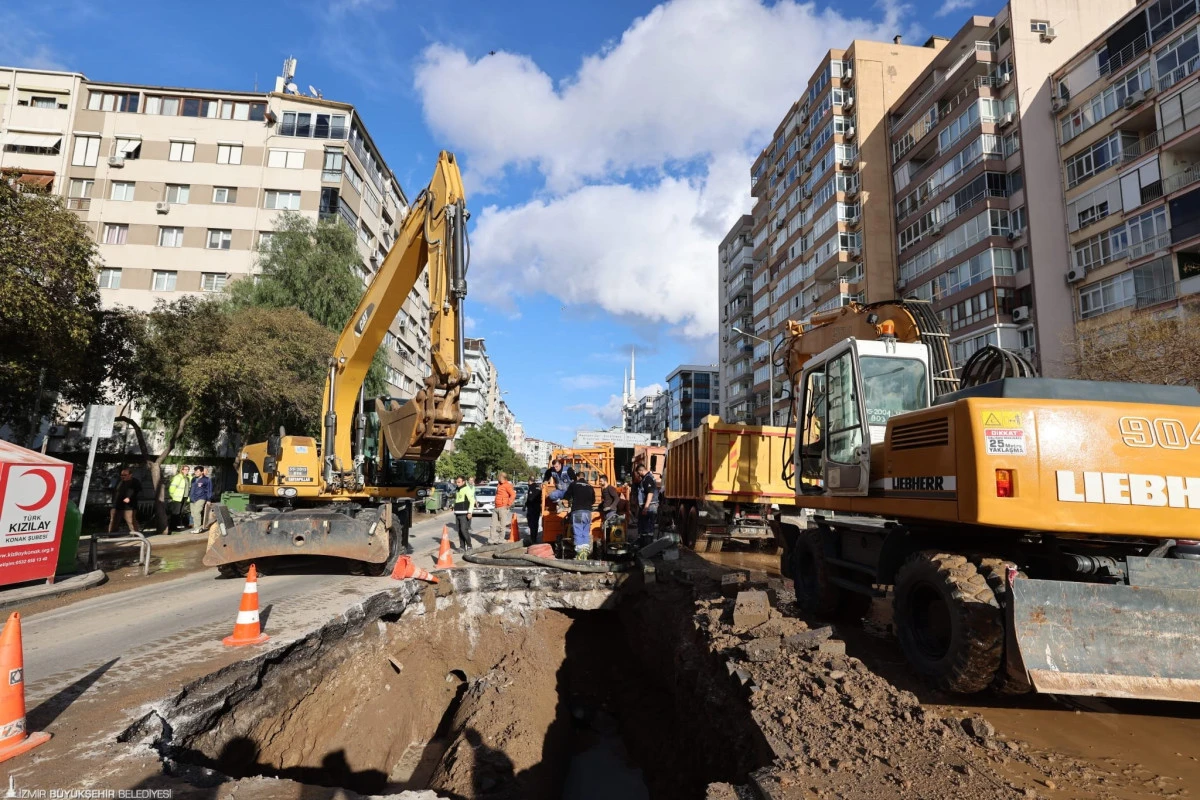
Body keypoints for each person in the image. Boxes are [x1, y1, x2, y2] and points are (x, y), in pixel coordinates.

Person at [565, 472, 595, 560]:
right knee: (585, 532)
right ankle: (585, 554)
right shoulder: (590, 486)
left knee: (578, 531)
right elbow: (593, 500)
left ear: (577, 477)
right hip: (588, 512)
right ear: (584, 477)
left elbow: (567, 496)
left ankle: (579, 554)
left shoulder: (574, 484)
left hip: (577, 511)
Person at [108, 468, 141, 534]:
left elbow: (135, 491)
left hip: (129, 506)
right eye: (122, 475)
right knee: (114, 521)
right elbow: (115, 490)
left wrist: (129, 497)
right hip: (117, 504)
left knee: (131, 521)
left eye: (125, 475)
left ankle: (136, 535)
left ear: (130, 475)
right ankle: (112, 534)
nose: (123, 476)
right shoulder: (119, 481)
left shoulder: (135, 481)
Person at [633, 463, 659, 546]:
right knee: (643, 526)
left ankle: (648, 545)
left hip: (650, 506)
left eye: (638, 473)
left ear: (641, 471)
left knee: (648, 527)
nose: (638, 475)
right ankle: (643, 544)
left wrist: (646, 507)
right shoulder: (645, 479)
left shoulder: (648, 479)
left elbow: (650, 493)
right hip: (648, 505)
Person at [493, 472, 515, 544]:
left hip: (503, 507)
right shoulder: (499, 484)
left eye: (500, 477)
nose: (499, 479)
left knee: (502, 525)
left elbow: (513, 494)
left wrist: (508, 504)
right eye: (499, 477)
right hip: (496, 506)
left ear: (503, 478)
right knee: (493, 524)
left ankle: (501, 539)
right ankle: (492, 539)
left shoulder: (507, 485)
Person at [453, 475, 475, 549]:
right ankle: (462, 547)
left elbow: (472, 501)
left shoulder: (467, 489)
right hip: (457, 513)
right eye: (457, 482)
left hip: (464, 513)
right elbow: (458, 500)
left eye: (459, 482)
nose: (457, 484)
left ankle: (469, 546)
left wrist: (470, 512)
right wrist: (453, 506)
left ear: (464, 482)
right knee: (459, 531)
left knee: (464, 530)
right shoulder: (457, 490)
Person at [189, 466, 213, 533]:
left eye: (197, 471)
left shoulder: (207, 480)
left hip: (201, 498)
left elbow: (209, 490)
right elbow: (192, 489)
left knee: (197, 512)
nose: (196, 473)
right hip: (192, 498)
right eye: (195, 471)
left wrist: (209, 499)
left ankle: (198, 528)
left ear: (202, 472)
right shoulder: (193, 479)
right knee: (193, 514)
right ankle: (196, 528)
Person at [167, 465, 191, 532]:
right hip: (177, 498)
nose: (187, 471)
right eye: (185, 469)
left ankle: (177, 527)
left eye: (188, 469)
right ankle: (172, 528)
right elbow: (172, 487)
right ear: (182, 470)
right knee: (175, 513)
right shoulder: (178, 477)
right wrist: (172, 496)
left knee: (180, 513)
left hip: (184, 497)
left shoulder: (187, 478)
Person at [525, 480, 543, 544]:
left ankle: (533, 538)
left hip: (531, 508)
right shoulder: (539, 488)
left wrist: (526, 505)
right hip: (537, 508)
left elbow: (529, 498)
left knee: (531, 523)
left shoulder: (531, 487)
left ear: (530, 481)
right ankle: (534, 538)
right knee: (536, 523)